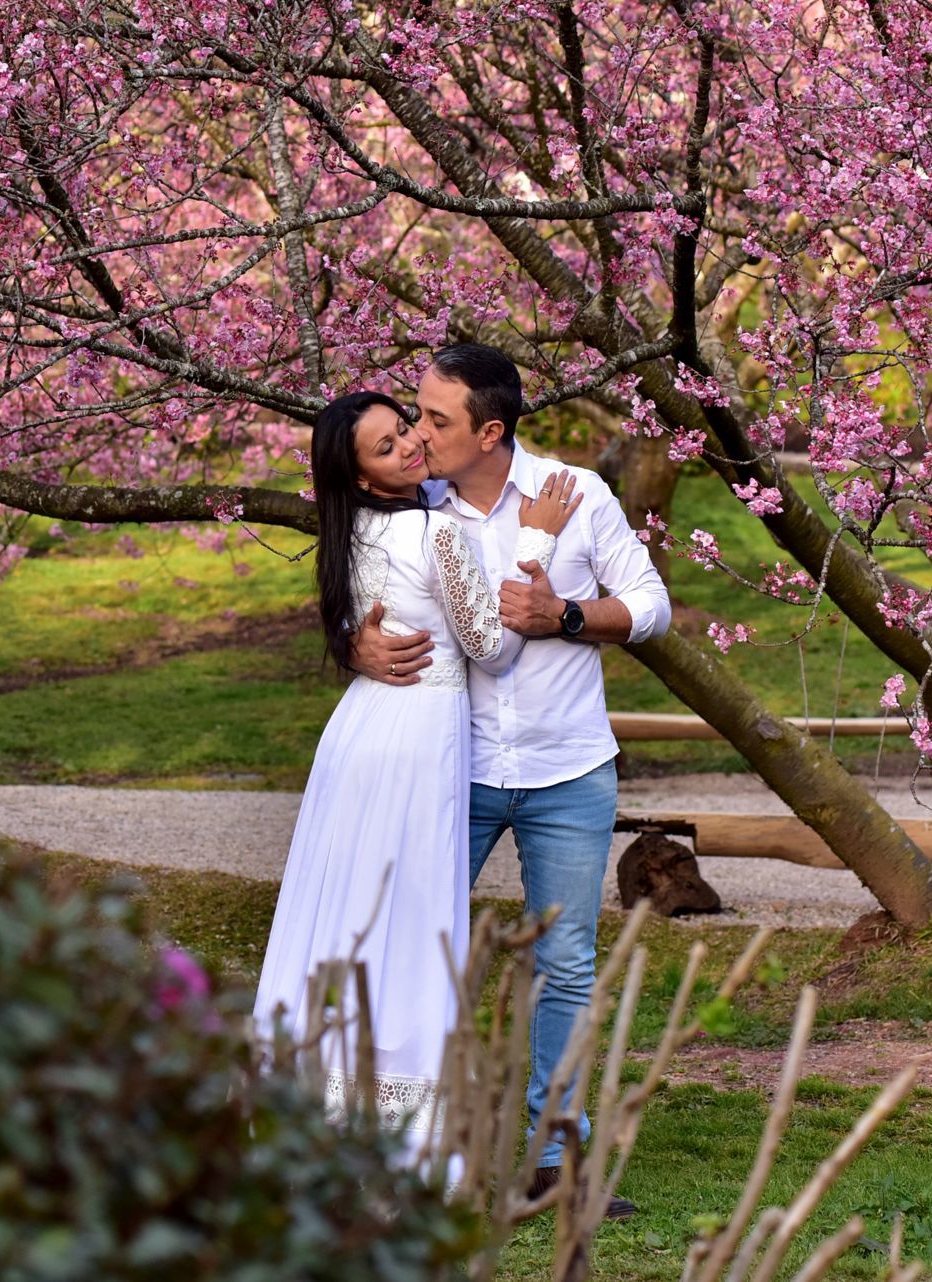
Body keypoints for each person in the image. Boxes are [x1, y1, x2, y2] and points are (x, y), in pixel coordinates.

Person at [349, 344, 672, 1218]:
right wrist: (353, 642)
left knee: (564, 965)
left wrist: (564, 614)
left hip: (570, 770)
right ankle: (392, 1152)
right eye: (416, 416)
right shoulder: (413, 505)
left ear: (491, 432)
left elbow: (650, 605)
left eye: (437, 420)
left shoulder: (577, 496)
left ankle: (553, 1167)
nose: (418, 433)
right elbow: (358, 581)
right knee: (410, 949)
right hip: (450, 771)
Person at [252, 390, 581, 1168]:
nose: (409, 446)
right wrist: (531, 546)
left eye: (405, 430)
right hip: (417, 740)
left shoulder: (348, 533)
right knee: (411, 921)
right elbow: (490, 647)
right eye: (386, 446)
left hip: (359, 732)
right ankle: (399, 1118)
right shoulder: (433, 530)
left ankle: (324, 1098)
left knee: (345, 914)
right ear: (362, 475)